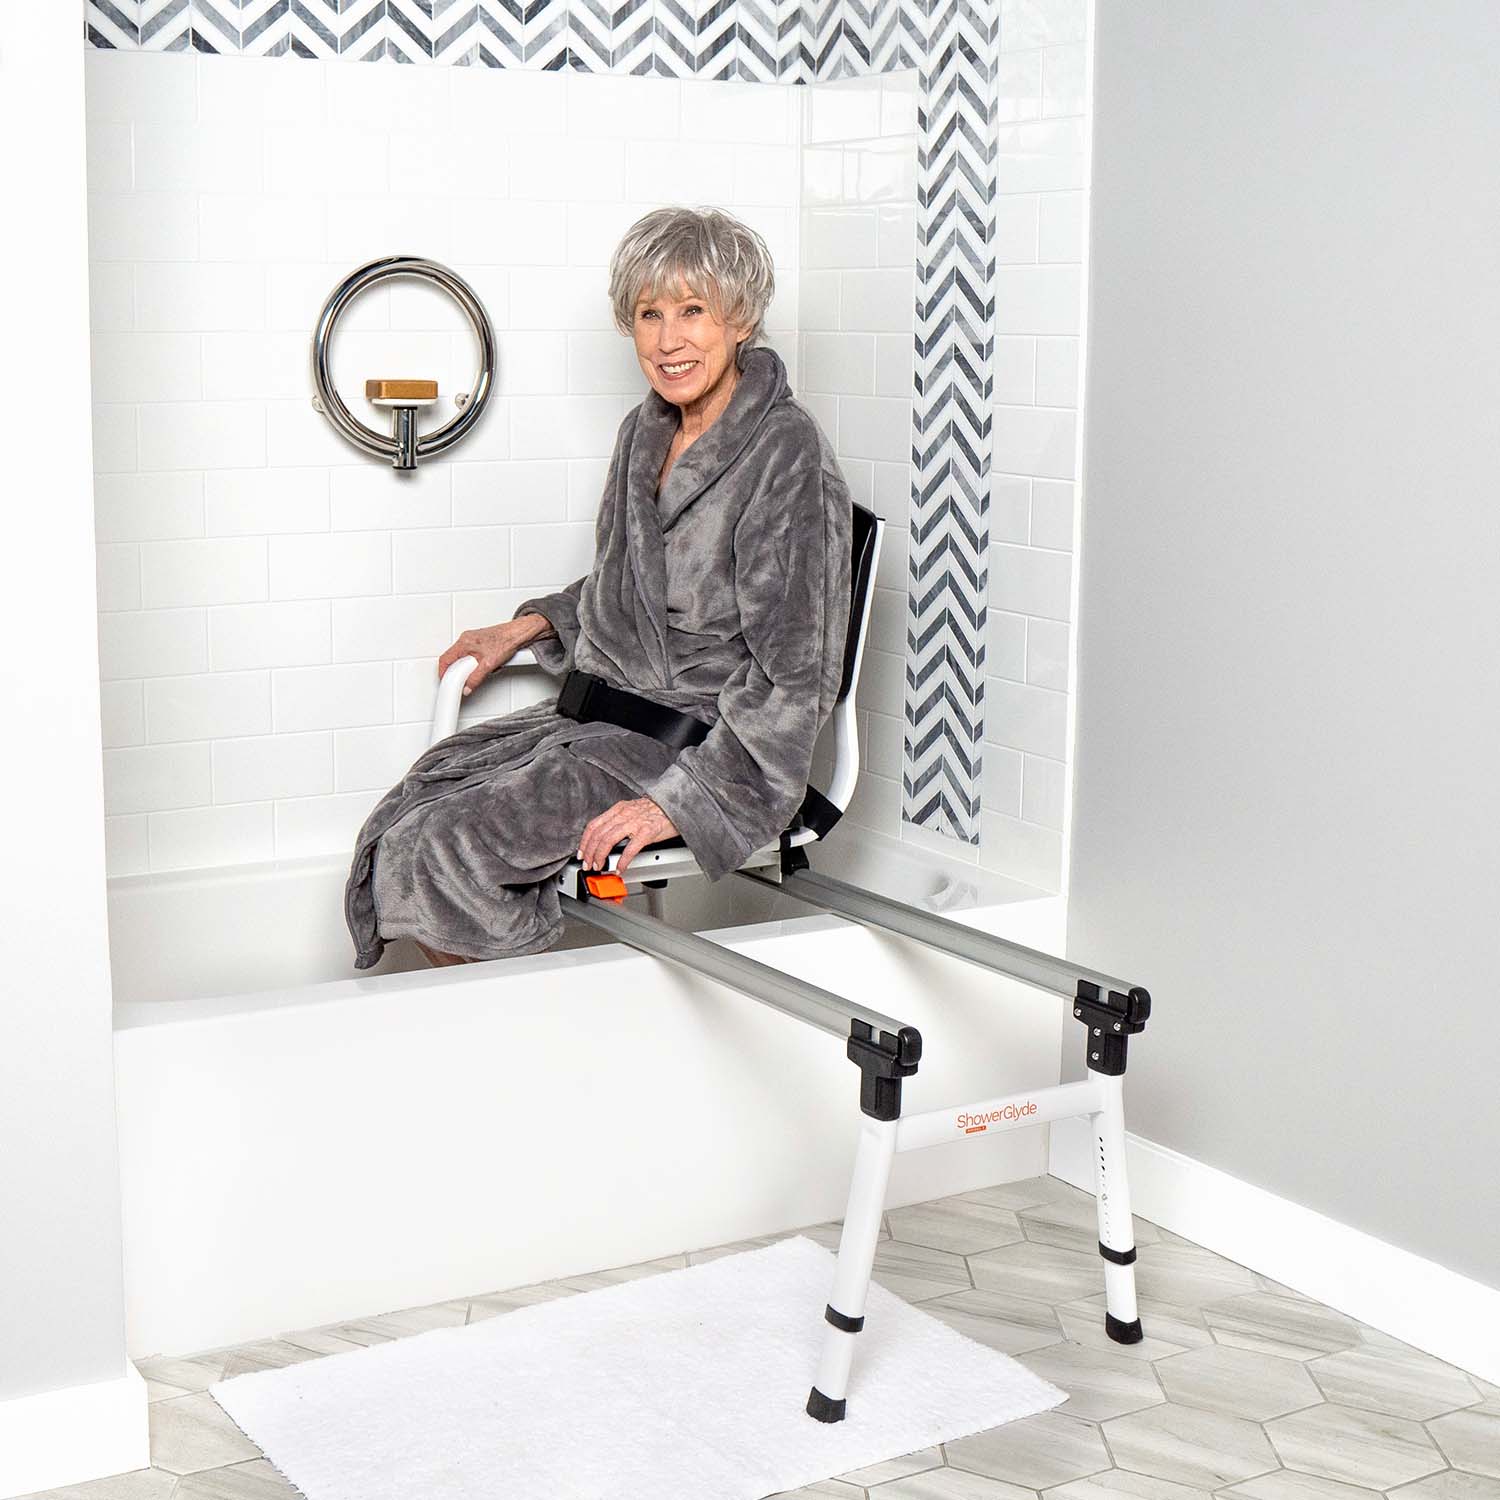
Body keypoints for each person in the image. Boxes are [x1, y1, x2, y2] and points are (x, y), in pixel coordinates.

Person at [344, 206, 853, 968]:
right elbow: (637, 585)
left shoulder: (788, 457)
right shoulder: (645, 432)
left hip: (692, 742)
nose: (668, 339)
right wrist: (529, 628)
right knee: (410, 816)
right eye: (650, 313)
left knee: (453, 850)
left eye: (693, 312)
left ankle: (513, 1048)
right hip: (603, 719)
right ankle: (484, 1034)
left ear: (740, 319)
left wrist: (677, 803)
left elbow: (795, 678)